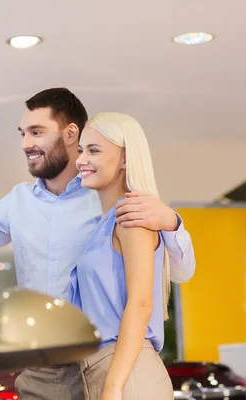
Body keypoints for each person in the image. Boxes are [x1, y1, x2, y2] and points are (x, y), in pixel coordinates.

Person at [0, 88, 195, 400]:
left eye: (36, 132)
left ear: (70, 133)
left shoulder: (113, 201)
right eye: (23, 133)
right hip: (40, 370)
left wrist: (173, 224)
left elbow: (175, 275)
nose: (25, 144)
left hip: (103, 361)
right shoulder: (17, 202)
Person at [70, 112, 175, 400]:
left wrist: (114, 385)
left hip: (126, 373)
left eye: (93, 150)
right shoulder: (103, 224)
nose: (80, 160)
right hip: (104, 370)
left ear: (126, 159)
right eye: (81, 150)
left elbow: (141, 303)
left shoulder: (132, 216)